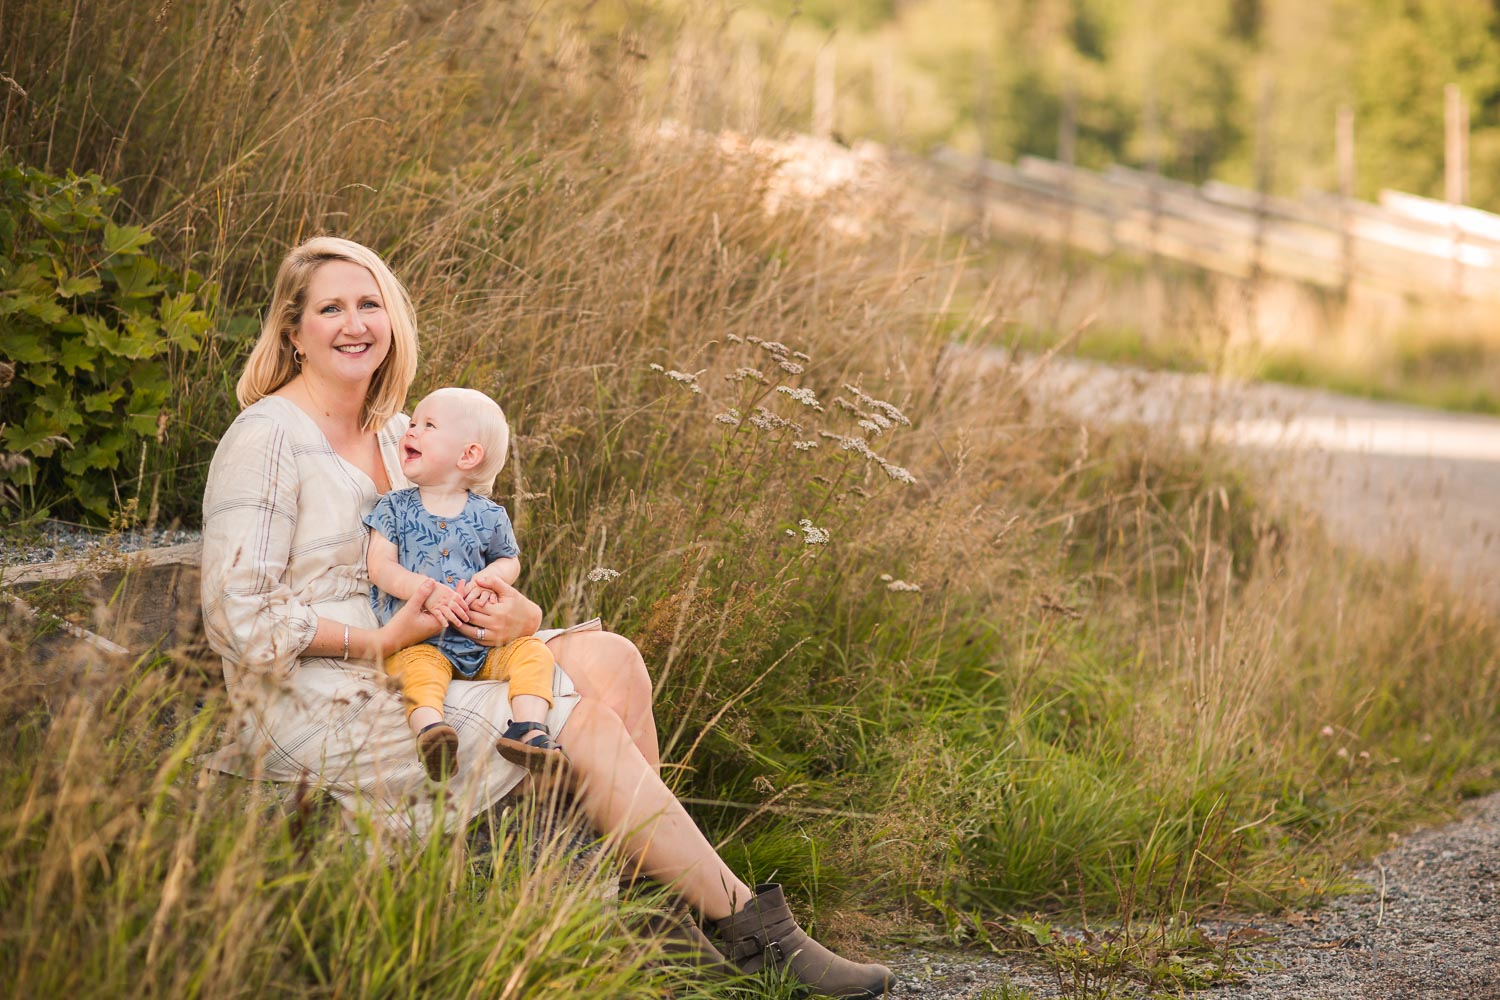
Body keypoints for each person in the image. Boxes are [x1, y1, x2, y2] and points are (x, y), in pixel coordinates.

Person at [199, 236, 895, 998]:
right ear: (293, 332)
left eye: (370, 304)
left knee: (614, 660)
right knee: (584, 726)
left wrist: (516, 613)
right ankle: (756, 936)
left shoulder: (401, 437)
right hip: (320, 690)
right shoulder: (266, 439)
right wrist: (380, 637)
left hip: (433, 649)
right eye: (331, 308)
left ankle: (646, 917)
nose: (354, 323)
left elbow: (462, 557)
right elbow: (240, 619)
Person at [365, 386, 567, 782]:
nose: (411, 431)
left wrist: (491, 577)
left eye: (428, 425)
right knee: (416, 671)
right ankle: (431, 731)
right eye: (412, 423)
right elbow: (380, 567)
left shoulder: (489, 515)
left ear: (468, 455)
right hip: (421, 641)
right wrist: (421, 589)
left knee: (533, 653)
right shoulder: (394, 507)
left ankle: (529, 729)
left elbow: (510, 559)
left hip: (482, 642)